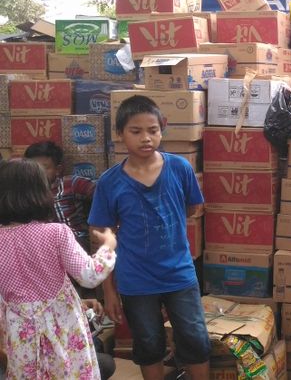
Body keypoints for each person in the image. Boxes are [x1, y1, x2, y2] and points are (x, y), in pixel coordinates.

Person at [88, 95, 210, 380]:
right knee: (148, 343)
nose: (146, 138)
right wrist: (109, 290)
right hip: (136, 280)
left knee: (195, 338)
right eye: (136, 131)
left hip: (179, 273)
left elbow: (193, 208)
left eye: (153, 130)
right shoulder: (110, 182)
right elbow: (101, 237)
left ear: (162, 130)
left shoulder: (179, 168)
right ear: (120, 135)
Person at [0, 159, 117, 379]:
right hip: (62, 326)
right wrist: (108, 247)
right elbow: (90, 276)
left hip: (19, 331)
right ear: (41, 193)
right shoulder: (56, 233)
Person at [24, 140, 97, 252]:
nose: (37, 172)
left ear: (57, 170)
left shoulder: (71, 184)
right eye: (32, 168)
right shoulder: (24, 193)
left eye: (44, 168)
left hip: (75, 242)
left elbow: (103, 193)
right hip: (41, 245)